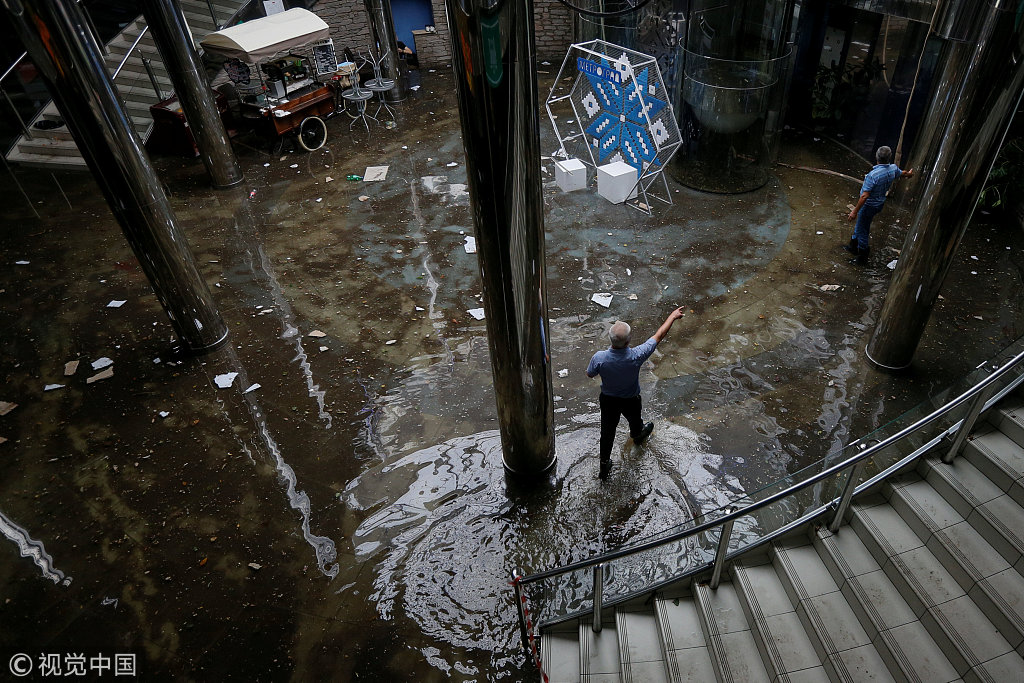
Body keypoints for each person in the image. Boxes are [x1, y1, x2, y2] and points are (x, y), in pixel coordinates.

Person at [586, 307, 685, 479]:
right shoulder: (636, 355)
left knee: (607, 432)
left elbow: (590, 374)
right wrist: (672, 316)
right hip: (630, 399)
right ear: (628, 341)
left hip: (608, 401)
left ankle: (604, 464)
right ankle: (638, 434)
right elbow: (659, 335)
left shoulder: (599, 358)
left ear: (610, 339)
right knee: (635, 420)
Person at [845, 145, 914, 265]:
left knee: (863, 229)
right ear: (889, 157)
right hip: (879, 204)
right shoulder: (892, 169)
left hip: (868, 205)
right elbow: (901, 173)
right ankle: (853, 245)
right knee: (861, 224)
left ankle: (862, 257)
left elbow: (864, 196)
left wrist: (854, 211)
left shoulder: (873, 175)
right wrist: (908, 174)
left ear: (877, 157)